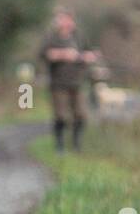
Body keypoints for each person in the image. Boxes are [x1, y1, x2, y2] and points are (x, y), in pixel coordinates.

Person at [38, 10, 99, 152]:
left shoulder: (79, 37)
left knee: (81, 115)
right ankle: (59, 144)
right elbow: (44, 54)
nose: (67, 23)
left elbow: (90, 52)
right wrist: (63, 54)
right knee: (61, 115)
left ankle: (76, 143)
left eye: (69, 20)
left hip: (77, 82)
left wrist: (89, 56)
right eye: (64, 20)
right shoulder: (52, 37)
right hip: (59, 83)